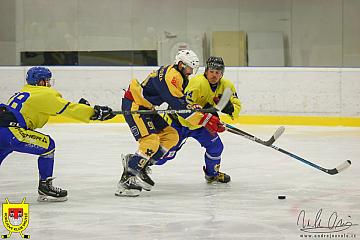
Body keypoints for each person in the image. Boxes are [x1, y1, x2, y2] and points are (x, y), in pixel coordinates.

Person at [116, 50, 225, 197]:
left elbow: (181, 102)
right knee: (151, 141)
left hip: (146, 107)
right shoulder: (172, 77)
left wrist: (194, 109)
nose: (191, 72)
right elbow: (179, 107)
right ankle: (127, 179)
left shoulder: (176, 74)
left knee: (171, 136)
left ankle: (141, 165)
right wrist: (205, 120)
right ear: (181, 64)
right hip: (135, 105)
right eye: (189, 68)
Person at [0, 66, 115, 202]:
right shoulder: (44, 94)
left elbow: (50, 109)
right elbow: (67, 109)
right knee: (48, 146)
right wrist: (94, 113)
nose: (48, 83)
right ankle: (45, 186)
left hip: (5, 130)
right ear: (41, 82)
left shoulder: (23, 93)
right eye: (47, 80)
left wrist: (82, 108)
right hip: (11, 133)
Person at [158, 56, 241, 183]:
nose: (214, 75)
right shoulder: (196, 83)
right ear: (206, 71)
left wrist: (227, 108)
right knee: (166, 155)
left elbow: (236, 108)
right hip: (178, 123)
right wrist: (207, 118)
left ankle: (212, 174)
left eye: (217, 72)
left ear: (222, 74)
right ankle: (141, 165)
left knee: (216, 147)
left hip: (200, 124)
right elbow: (184, 110)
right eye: (211, 71)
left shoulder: (227, 86)